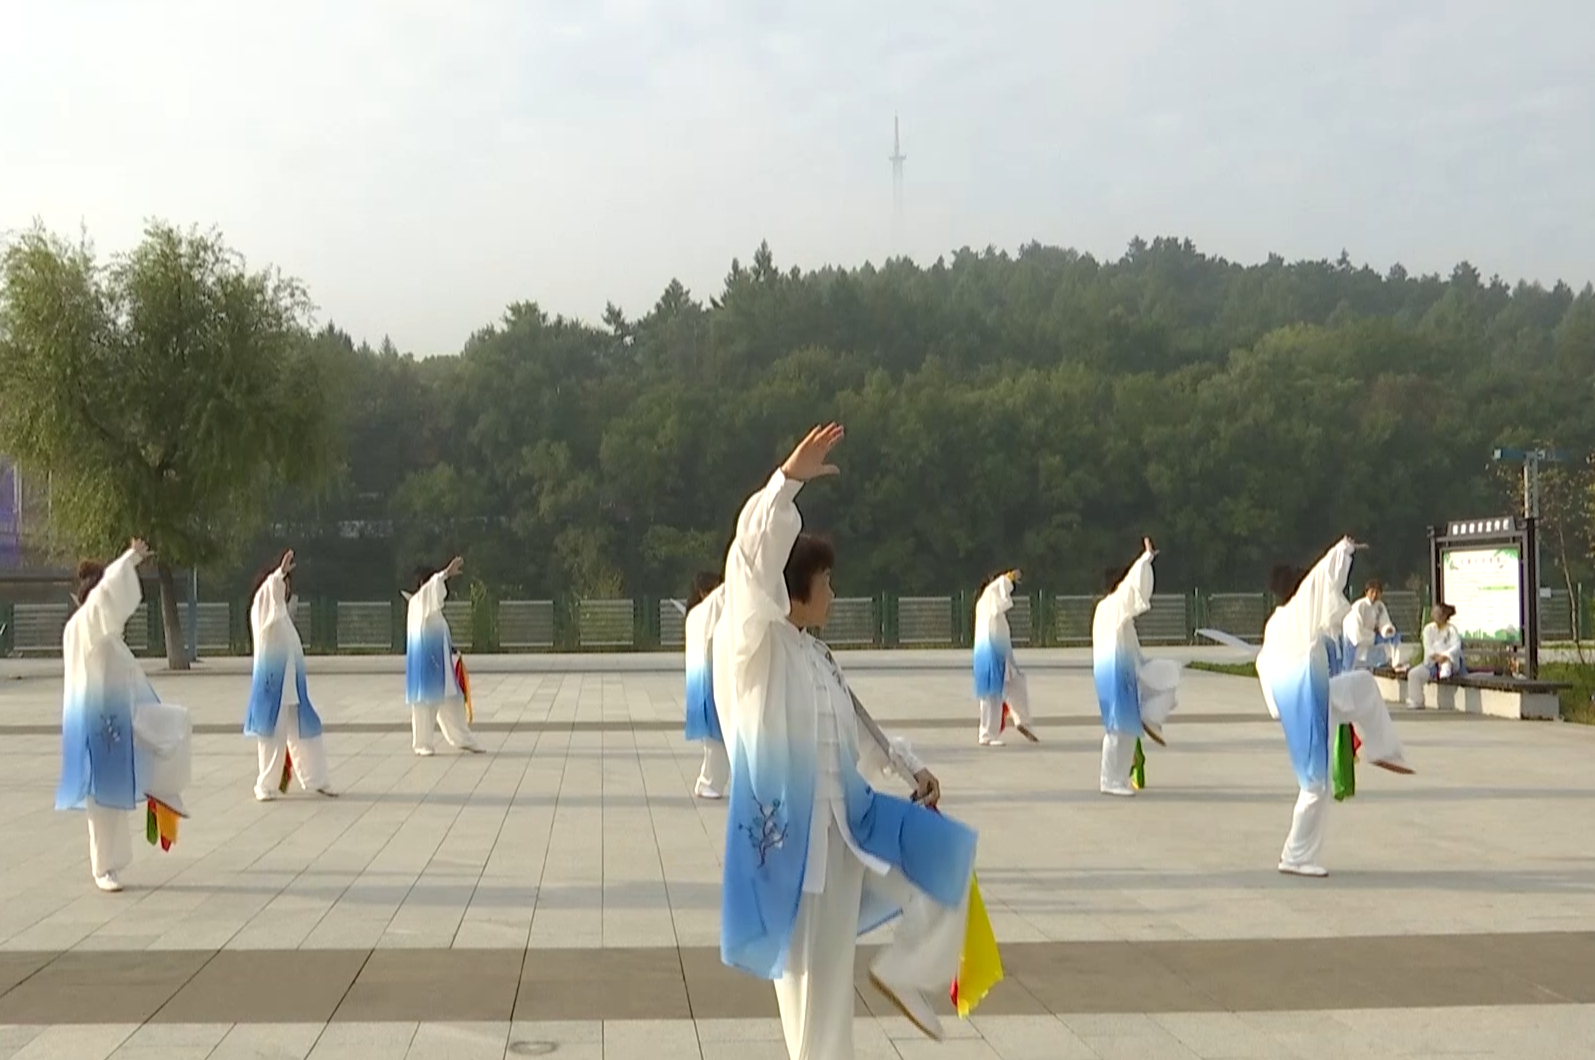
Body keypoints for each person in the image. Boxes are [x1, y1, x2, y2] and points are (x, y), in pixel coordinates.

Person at [716, 423, 977, 1060]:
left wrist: (910, 768)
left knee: (948, 864)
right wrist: (787, 482)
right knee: (813, 990)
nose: (833, 594)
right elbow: (749, 561)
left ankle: (908, 971)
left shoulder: (816, 655)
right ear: (792, 590)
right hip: (791, 845)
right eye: (825, 583)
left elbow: (858, 725)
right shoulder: (755, 646)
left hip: (846, 829)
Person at [1258, 537, 1414, 878]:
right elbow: (1322, 579)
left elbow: (1263, 664)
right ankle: (1295, 856)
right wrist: (1341, 552)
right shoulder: (1298, 612)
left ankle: (1381, 748)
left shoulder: (1275, 624)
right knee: (1315, 785)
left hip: (1313, 695)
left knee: (1363, 685)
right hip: (1307, 700)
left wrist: (1276, 706)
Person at [57, 539, 192, 892]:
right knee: (99, 800)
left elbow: (131, 679)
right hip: (93, 725)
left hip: (114, 725)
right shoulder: (83, 627)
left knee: (112, 796)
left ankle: (113, 864)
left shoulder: (111, 637)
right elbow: (102, 598)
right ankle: (102, 866)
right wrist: (129, 559)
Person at [245, 549, 335, 801]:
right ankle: (265, 786)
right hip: (271, 684)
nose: (284, 587)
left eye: (286, 584)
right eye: (282, 583)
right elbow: (268, 592)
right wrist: (278, 573)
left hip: (291, 684)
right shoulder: (261, 608)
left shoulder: (282, 614)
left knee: (306, 731)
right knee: (272, 736)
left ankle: (316, 779)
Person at [1092, 538, 1179, 796]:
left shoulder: (1108, 609)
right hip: (1115, 672)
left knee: (1128, 726)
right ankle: (1109, 779)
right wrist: (1145, 559)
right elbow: (1131, 587)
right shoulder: (1113, 605)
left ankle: (1119, 776)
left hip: (1124, 670)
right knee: (1118, 728)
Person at [405, 557, 484, 756]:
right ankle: (422, 744)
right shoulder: (418, 603)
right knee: (425, 706)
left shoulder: (433, 611)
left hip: (442, 666)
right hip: (427, 668)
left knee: (453, 702)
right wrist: (445, 573)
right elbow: (430, 590)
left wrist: (452, 651)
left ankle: (463, 739)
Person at [972, 569, 1038, 746]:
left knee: (1017, 683)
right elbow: (997, 586)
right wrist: (1008, 577)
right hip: (990, 651)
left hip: (1002, 652)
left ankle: (1022, 721)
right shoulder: (987, 598)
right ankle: (987, 734)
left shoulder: (989, 606)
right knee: (991, 694)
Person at [684, 569, 729, 798]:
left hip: (701, 678)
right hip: (711, 676)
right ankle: (709, 783)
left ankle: (709, 781)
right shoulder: (709, 609)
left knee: (713, 740)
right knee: (715, 739)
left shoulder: (695, 615)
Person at [1406, 603, 1463, 709]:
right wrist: (1435, 656)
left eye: (1437, 613)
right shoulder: (1428, 629)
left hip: (1447, 661)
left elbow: (1456, 646)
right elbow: (1427, 646)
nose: (1434, 615)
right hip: (1431, 663)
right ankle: (1416, 700)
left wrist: (1446, 655)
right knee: (1413, 674)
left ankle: (1445, 673)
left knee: (1446, 667)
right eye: (1434, 612)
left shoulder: (1451, 629)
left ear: (1444, 615)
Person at [1343, 579, 1400, 670]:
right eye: (1372, 592)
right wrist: (1373, 637)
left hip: (1371, 641)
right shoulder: (1359, 606)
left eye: (1377, 592)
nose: (1374, 595)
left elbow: (1384, 621)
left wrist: (1386, 629)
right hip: (1356, 643)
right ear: (1366, 592)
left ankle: (1396, 663)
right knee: (1351, 671)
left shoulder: (1380, 606)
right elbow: (1356, 632)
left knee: (1395, 636)